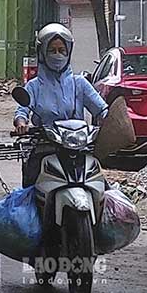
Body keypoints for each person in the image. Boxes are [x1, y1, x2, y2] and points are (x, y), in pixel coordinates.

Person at [14, 23, 108, 187]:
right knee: (29, 191)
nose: (58, 55)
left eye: (62, 51)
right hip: (45, 147)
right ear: (42, 53)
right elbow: (22, 112)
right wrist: (21, 123)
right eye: (52, 51)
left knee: (101, 187)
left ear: (68, 53)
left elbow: (101, 109)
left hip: (78, 147)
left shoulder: (79, 83)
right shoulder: (34, 86)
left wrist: (111, 122)